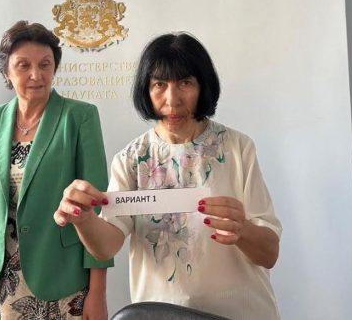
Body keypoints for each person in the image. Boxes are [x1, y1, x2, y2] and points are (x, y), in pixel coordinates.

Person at [54, 32, 282, 319]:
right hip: (160, 313)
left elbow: (269, 254)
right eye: (159, 84)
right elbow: (107, 246)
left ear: (203, 86)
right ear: (146, 89)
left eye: (185, 83)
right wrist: (84, 219)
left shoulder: (238, 149)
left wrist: (243, 230)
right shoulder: (132, 159)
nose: (172, 100)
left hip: (239, 312)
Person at [0, 21, 112, 320]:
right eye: (24, 65)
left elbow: (95, 211)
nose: (36, 75)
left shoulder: (80, 117)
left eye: (45, 64)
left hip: (62, 282)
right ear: (6, 72)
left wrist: (98, 293)